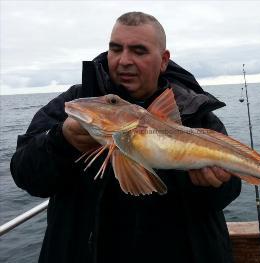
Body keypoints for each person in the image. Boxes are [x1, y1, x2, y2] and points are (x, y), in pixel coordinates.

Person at [10, 12, 241, 263]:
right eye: (115, 49)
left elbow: (227, 193)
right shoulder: (78, 104)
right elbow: (25, 173)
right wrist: (62, 141)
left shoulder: (195, 112)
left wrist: (214, 183)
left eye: (139, 51)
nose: (124, 61)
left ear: (163, 60)